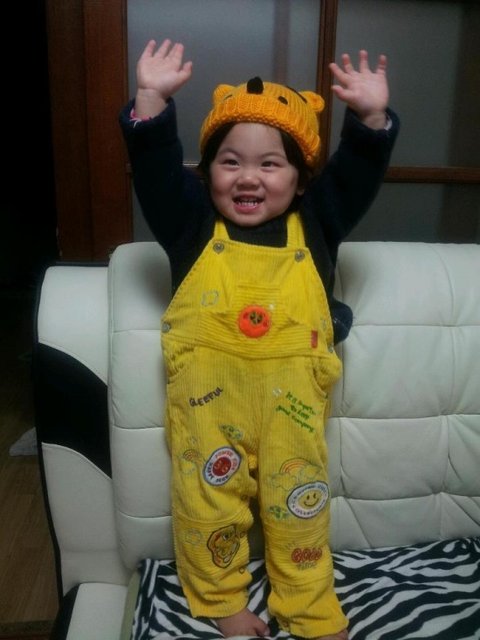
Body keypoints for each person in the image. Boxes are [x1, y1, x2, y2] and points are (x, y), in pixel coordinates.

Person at [119, 39, 399, 640]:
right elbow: (156, 175)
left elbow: (355, 178)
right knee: (207, 507)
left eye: (271, 164)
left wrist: (371, 120)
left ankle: (309, 607)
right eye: (230, 162)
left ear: (300, 180)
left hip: (292, 413)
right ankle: (221, 601)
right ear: (207, 174)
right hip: (207, 412)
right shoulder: (192, 226)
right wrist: (150, 101)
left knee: (301, 508)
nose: (248, 177)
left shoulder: (316, 225)